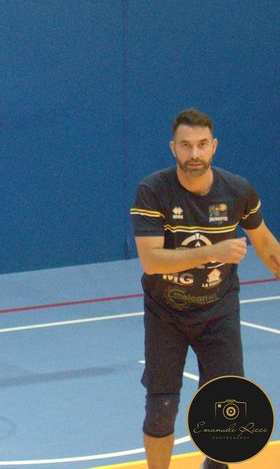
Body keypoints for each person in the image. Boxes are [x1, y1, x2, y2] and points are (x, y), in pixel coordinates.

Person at [130, 108, 280, 469]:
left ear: (214, 146)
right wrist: (214, 252)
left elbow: (265, 244)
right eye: (186, 145)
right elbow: (151, 261)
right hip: (166, 314)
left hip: (218, 311)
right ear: (173, 148)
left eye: (201, 145)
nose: (194, 153)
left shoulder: (238, 191)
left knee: (225, 405)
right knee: (161, 408)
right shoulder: (152, 192)